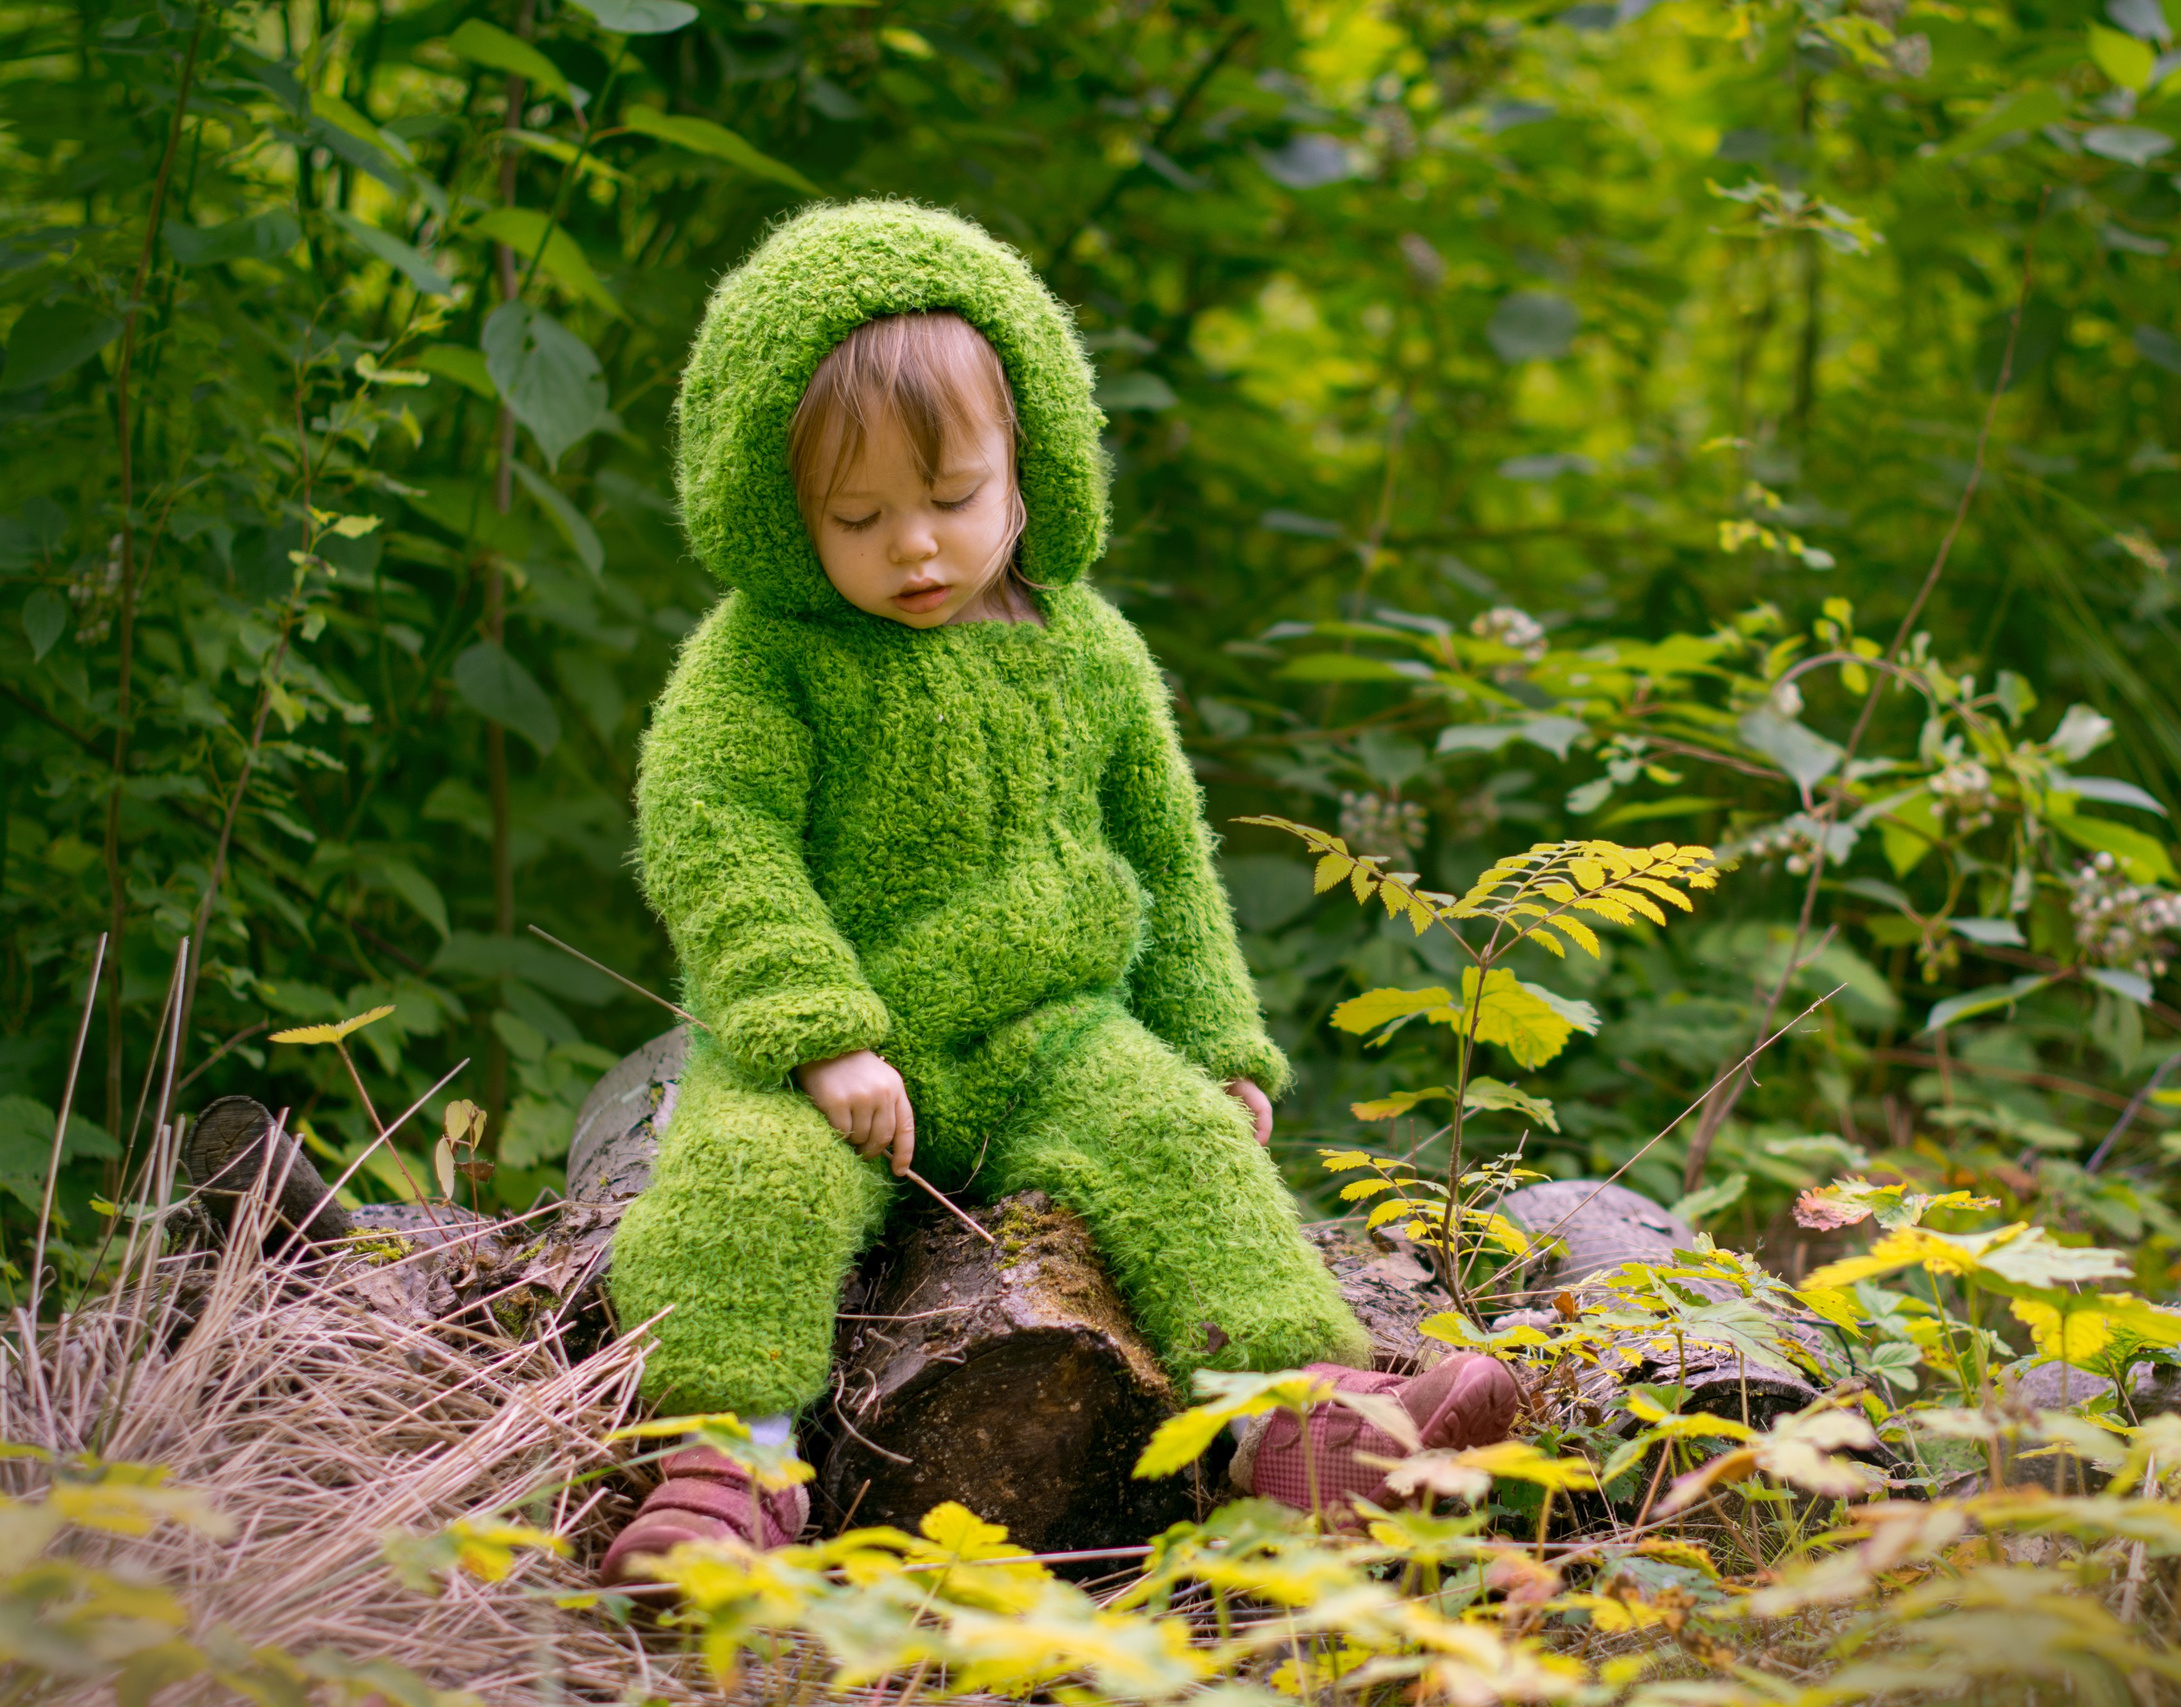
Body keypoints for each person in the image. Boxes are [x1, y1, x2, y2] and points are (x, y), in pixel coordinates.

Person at [599, 200, 1517, 1585]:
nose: (914, 547)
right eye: (858, 516)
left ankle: (1308, 1426)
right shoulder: (763, 662)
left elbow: (1166, 857)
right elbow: (715, 832)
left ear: (1029, 466)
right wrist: (811, 1026)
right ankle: (731, 1471)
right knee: (741, 1190)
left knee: (1188, 1154)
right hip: (838, 1050)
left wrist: (1212, 1044)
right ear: (778, 510)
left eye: (952, 500)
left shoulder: (1089, 653)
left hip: (1049, 1035)